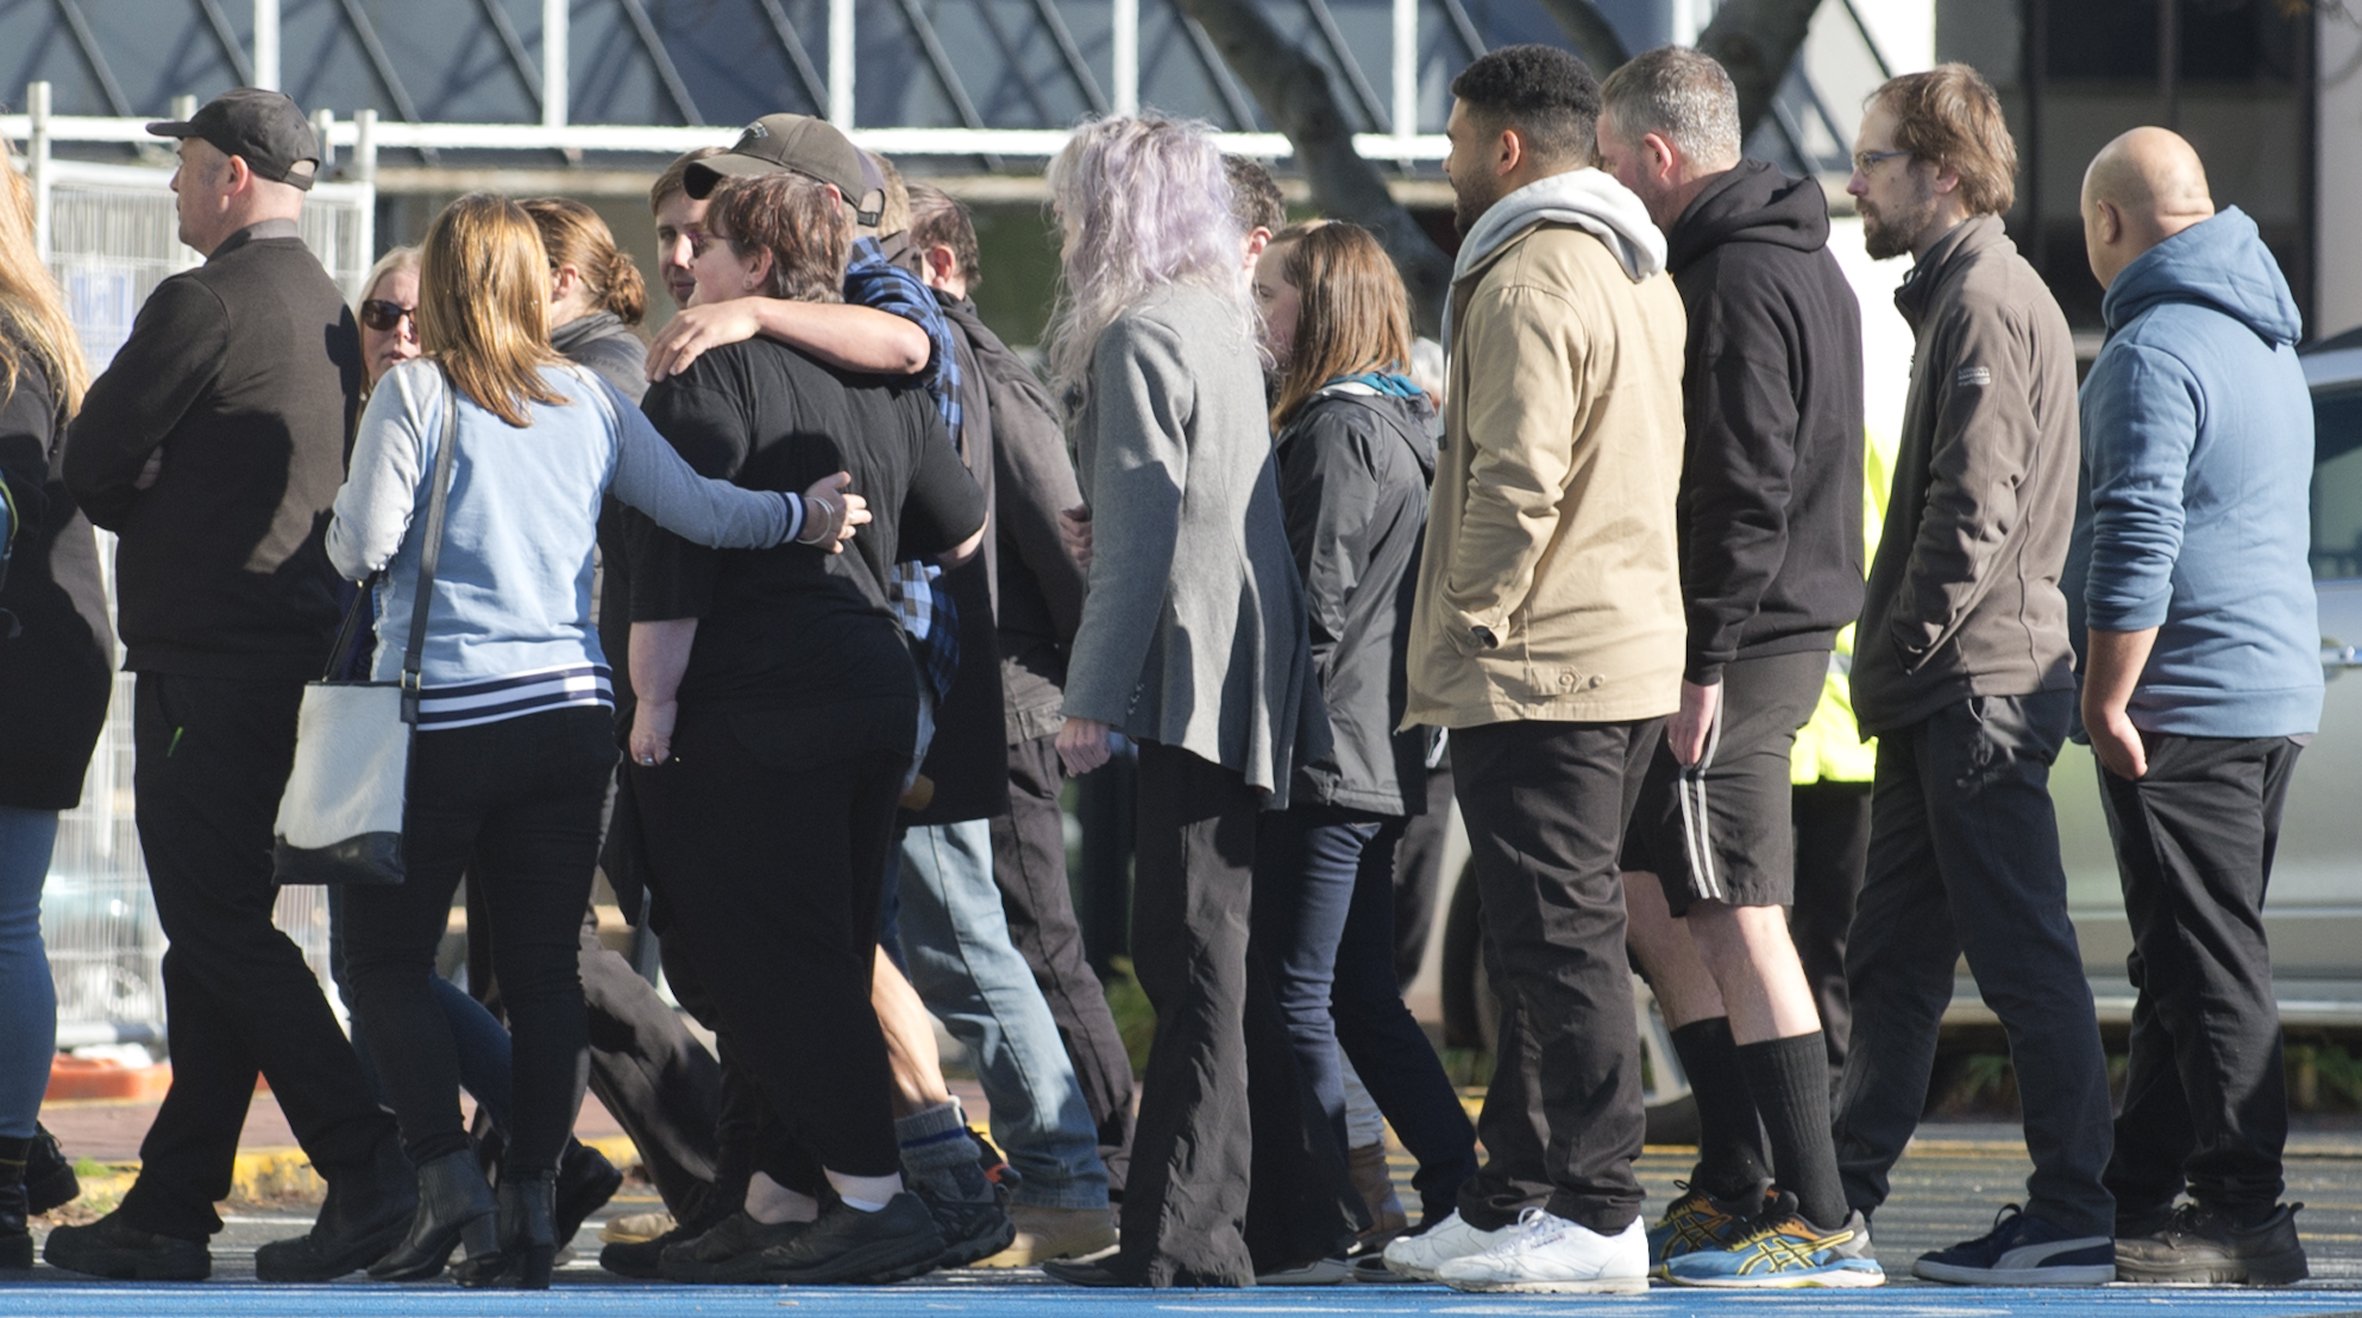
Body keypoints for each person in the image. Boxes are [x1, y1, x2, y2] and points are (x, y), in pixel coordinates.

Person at [329, 192, 845, 1290]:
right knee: (544, 965)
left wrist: (346, 520)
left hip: (440, 717)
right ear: (527, 285)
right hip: (569, 717)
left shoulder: (414, 393)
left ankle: (445, 1183)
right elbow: (701, 510)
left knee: (379, 959)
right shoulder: (585, 399)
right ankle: (526, 1196)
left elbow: (362, 544)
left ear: (448, 288)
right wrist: (798, 517)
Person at [46, 88, 416, 1284]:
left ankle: (373, 1168)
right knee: (210, 939)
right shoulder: (322, 305)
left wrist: (145, 483)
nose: (171, 187)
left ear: (234, 179)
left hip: (207, 663)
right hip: (293, 662)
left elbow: (91, 459)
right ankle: (172, 1202)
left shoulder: (200, 301)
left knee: (214, 928)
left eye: (186, 166)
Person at [625, 168, 986, 1286]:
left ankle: (875, 1199)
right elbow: (962, 528)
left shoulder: (702, 369)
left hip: (757, 701)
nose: (689, 269)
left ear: (760, 268)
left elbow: (669, 568)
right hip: (872, 684)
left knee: (771, 969)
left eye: (712, 251)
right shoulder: (874, 378)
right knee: (819, 948)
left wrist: (652, 707)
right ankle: (779, 1195)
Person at [1381, 45, 1682, 1295]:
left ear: (1506, 150)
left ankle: (1602, 1211)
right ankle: (1510, 1193)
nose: (1445, 165)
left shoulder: (1519, 275)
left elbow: (1513, 481)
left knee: (1557, 943)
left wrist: (1468, 622)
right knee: (1543, 936)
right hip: (1613, 652)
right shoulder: (1630, 269)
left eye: (1454, 142)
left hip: (1542, 660)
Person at [1037, 113, 1352, 1290]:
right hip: (1240, 672)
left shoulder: (1138, 336)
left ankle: (1182, 1235)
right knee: (1201, 954)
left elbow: (1139, 545)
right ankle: (1196, 1227)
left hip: (1188, 679)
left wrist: (1087, 698)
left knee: (1189, 959)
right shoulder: (1214, 324)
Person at [1594, 46, 1877, 1287]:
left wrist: (1704, 657)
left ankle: (1817, 1215)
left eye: (1610, 163)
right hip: (1751, 629)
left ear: (1658, 157)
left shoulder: (1737, 273)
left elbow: (1743, 477)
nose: (1608, 185)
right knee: (1663, 894)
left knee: (1739, 906)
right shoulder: (1786, 255)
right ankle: (1736, 1173)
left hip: (1743, 638)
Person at [1831, 64, 2115, 1286]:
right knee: (1891, 959)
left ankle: (2070, 1214)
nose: (1856, 181)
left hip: (1975, 690)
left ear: (1940, 173)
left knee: (2018, 955)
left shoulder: (1986, 301)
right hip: (1946, 689)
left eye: (1874, 159)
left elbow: (1972, 515)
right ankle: (1834, 1203)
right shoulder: (1960, 294)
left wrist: (1890, 652)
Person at [2071, 127, 2318, 1286]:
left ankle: (2244, 1210)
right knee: (2182, 952)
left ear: (2111, 224)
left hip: (2187, 694)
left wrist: (2104, 688)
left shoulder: (2150, 349)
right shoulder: (2263, 337)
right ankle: (2131, 1189)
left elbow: (2136, 531)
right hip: (2270, 686)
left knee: (2211, 957)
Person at [903, 183, 1124, 1267]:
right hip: (1000, 693)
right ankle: (1096, 1163)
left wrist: (1088, 690)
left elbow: (1058, 525)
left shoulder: (982, 369)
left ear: (941, 261)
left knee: (1036, 946)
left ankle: (1103, 1165)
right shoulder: (950, 358)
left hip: (1013, 700)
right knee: (1020, 945)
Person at [1245, 220, 1475, 1246]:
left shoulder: (1338, 428)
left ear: (1321, 307)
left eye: (1271, 295)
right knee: (1360, 997)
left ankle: (1322, 1208)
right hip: (1375, 749)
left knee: (1297, 994)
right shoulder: (1400, 421)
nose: (1260, 316)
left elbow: (1315, 603)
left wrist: (1273, 741)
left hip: (1325, 752)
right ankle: (1459, 1183)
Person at [0, 128, 107, 1271]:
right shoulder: (42, 335)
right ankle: (23, 1156)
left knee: (4, 925)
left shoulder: (11, 341)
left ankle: (13, 1164)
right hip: (46, 658)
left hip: (21, 662)